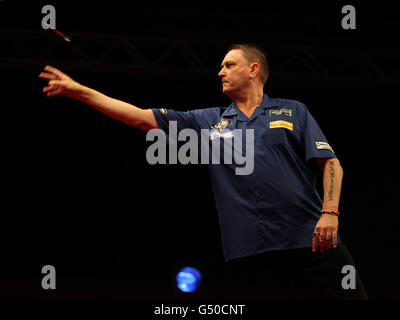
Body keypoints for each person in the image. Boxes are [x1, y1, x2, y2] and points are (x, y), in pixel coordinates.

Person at [39, 43, 368, 299]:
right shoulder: (209, 120)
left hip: (311, 241)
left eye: (229, 65)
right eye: (221, 66)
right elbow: (139, 116)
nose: (220, 71)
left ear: (253, 69)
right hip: (252, 252)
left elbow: (331, 163)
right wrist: (78, 91)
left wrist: (330, 211)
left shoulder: (292, 110)